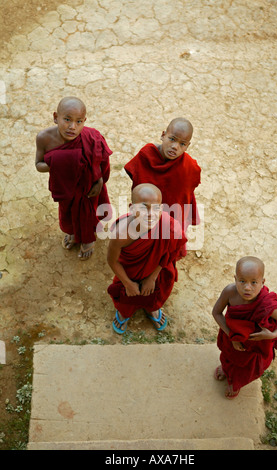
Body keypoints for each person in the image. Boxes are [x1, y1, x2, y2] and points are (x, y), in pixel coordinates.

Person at [35, 96, 112, 260]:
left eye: (79, 122)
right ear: (56, 117)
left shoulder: (92, 137)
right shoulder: (45, 138)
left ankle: (88, 240)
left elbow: (102, 161)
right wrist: (62, 163)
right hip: (65, 188)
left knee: (88, 213)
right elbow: (38, 164)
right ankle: (74, 234)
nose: (72, 127)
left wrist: (100, 181)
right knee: (68, 213)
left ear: (85, 121)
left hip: (89, 187)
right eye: (67, 119)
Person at [107, 183, 187, 334]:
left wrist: (152, 277)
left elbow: (170, 254)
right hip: (130, 271)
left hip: (156, 267)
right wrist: (128, 283)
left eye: (156, 208)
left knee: (156, 291)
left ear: (162, 209)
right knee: (127, 295)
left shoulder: (169, 226)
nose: (150, 214)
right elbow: (112, 261)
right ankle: (125, 312)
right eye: (143, 208)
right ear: (132, 208)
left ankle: (152, 308)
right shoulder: (121, 234)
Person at [212, 256, 277, 399]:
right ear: (235, 279)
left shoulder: (267, 304)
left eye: (254, 282)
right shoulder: (230, 292)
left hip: (253, 348)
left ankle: (235, 383)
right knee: (227, 356)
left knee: (245, 370)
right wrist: (232, 336)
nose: (247, 287)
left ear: (262, 282)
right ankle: (226, 370)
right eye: (242, 281)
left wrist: (272, 335)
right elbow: (216, 313)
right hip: (231, 337)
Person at [124, 118, 201, 256]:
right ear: (163, 135)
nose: (175, 147)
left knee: (166, 247)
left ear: (188, 146)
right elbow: (135, 178)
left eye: (182, 144)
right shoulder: (146, 155)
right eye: (172, 139)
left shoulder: (189, 167)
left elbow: (186, 193)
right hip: (147, 210)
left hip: (172, 212)